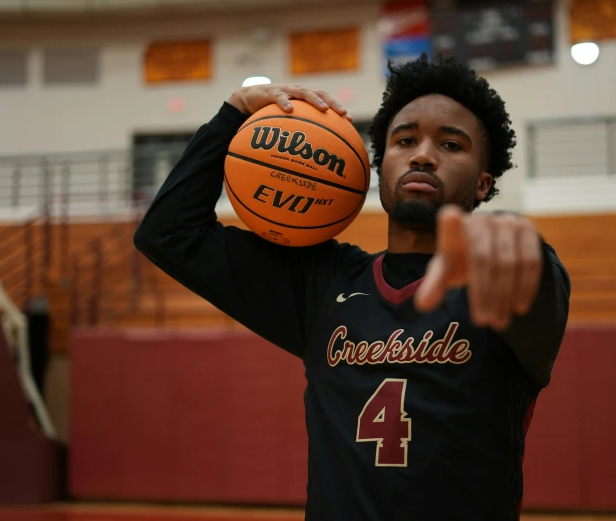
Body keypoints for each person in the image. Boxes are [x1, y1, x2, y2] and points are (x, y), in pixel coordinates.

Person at [134, 54, 570, 521]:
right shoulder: (323, 283)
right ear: (381, 169)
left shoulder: (500, 279)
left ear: (484, 184)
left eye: (451, 145)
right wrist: (234, 112)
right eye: (405, 140)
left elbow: (534, 287)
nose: (423, 154)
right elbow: (168, 235)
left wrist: (520, 244)